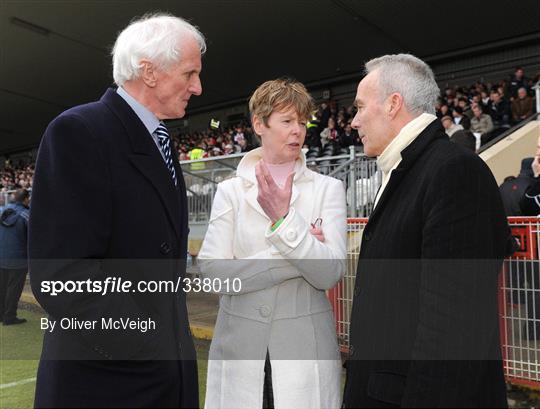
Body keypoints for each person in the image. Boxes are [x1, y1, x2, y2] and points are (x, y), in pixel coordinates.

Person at [28, 13, 204, 408]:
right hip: (106, 381)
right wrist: (145, 339)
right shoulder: (80, 130)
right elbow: (62, 275)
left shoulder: (157, 139)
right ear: (150, 72)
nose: (198, 87)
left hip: (157, 375)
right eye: (190, 73)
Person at [343, 54, 510, 408]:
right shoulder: (409, 170)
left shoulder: (454, 172)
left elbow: (452, 330)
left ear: (393, 104)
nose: (354, 121)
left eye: (359, 107)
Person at [199, 78, 346, 409]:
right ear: (258, 125)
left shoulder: (328, 189)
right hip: (239, 353)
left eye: (302, 122)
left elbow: (329, 273)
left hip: (305, 357)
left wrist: (282, 221)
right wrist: (293, 251)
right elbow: (212, 272)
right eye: (286, 121)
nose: (298, 131)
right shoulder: (230, 191)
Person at [0, 189, 30, 325]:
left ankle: (2, 314)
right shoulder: (26, 215)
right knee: (14, 289)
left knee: (3, 287)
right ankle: (9, 317)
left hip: (2, 256)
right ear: (25, 199)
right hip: (19, 259)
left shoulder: (2, 211)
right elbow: (32, 239)